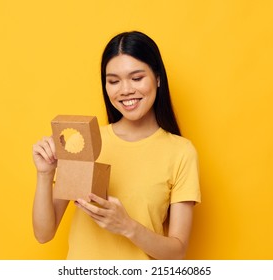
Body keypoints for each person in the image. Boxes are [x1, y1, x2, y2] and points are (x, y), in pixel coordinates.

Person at [32, 31, 200, 260]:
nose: (125, 90)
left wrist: (127, 226)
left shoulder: (181, 152)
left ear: (158, 78)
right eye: (113, 81)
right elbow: (44, 233)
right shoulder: (83, 142)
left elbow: (177, 252)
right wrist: (44, 174)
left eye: (137, 78)